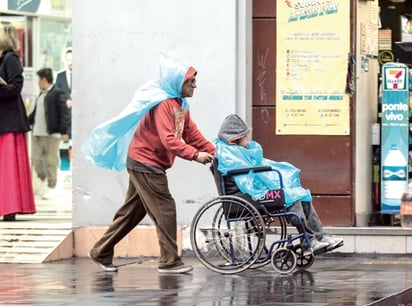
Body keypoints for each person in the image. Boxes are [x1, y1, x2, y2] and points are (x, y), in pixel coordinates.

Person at [87, 56, 215, 273]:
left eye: (194, 80)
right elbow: (170, 140)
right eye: (190, 81)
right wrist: (196, 155)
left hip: (146, 162)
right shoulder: (165, 104)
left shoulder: (181, 104)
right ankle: (169, 261)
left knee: (132, 213)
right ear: (178, 83)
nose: (195, 85)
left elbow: (191, 133)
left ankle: (101, 251)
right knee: (165, 209)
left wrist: (214, 151)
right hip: (146, 162)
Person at [215, 114, 343, 253]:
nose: (248, 139)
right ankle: (309, 240)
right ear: (235, 139)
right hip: (247, 197)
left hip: (250, 194)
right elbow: (247, 181)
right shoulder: (230, 155)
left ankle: (319, 236)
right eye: (245, 136)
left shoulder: (235, 151)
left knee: (301, 195)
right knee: (291, 198)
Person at [0, 21, 36, 221]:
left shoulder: (11, 58)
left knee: (8, 166)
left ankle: (10, 208)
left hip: (10, 122)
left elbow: (15, 88)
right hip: (4, 120)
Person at [29, 68, 70, 200]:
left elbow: (63, 114)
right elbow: (35, 113)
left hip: (52, 134)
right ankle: (43, 180)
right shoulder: (40, 94)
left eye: (39, 80)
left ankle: (52, 186)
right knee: (36, 160)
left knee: (51, 161)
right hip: (37, 134)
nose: (38, 83)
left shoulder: (57, 93)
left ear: (44, 80)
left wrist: (64, 131)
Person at [55, 47, 72, 137]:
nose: (70, 62)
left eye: (72, 59)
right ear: (64, 60)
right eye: (68, 60)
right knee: (64, 149)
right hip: (64, 120)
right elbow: (57, 95)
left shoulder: (82, 76)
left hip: (78, 120)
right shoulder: (59, 76)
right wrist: (65, 102)